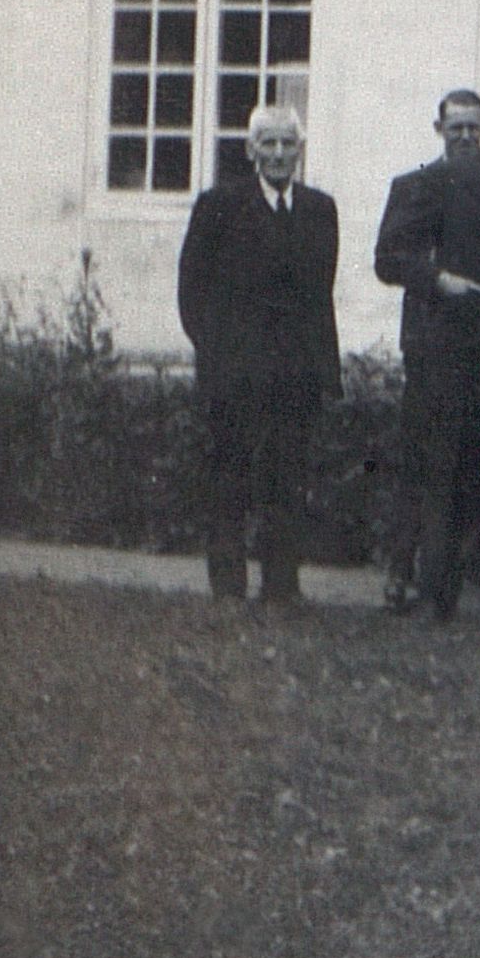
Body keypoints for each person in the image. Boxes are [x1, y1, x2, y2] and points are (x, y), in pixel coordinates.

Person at [372, 79, 480, 623]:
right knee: (447, 473)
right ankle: (436, 596)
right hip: (454, 348)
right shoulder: (445, 179)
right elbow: (390, 257)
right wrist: (438, 280)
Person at [175, 105, 340, 605]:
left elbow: (320, 297)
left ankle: (281, 585)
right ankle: (228, 586)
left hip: (295, 377)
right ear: (250, 150)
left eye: (288, 143)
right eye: (268, 143)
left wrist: (323, 372)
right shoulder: (219, 206)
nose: (279, 153)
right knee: (229, 480)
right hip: (235, 377)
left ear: (300, 150)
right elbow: (192, 292)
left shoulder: (319, 210)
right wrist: (219, 355)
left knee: (287, 482)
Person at [371, 89, 480, 611]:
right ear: (439, 129)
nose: (465, 136)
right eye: (456, 126)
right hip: (431, 343)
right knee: (419, 463)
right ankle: (400, 570)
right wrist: (437, 278)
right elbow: (387, 259)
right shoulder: (415, 185)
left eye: (473, 127)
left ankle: (448, 579)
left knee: (466, 468)